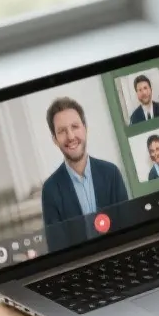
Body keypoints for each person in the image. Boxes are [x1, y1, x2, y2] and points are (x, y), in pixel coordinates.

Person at [40, 96, 128, 245]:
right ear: (55, 139)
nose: (71, 136)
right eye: (62, 131)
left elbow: (128, 229)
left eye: (75, 127)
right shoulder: (50, 190)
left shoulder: (111, 173)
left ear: (85, 128)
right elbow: (57, 248)